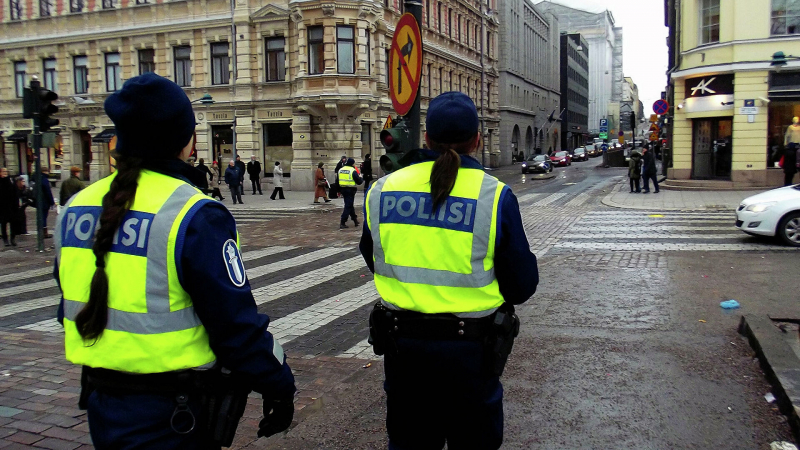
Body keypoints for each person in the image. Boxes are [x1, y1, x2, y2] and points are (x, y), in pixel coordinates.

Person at [53, 73, 295, 449]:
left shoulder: (75, 207)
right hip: (173, 413)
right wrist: (278, 384)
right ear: (186, 140)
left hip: (102, 402)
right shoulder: (194, 213)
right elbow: (235, 325)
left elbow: (67, 296)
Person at [360, 92, 538, 450]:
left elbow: (372, 256)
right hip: (470, 356)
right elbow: (521, 285)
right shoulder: (494, 195)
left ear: (426, 137)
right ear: (477, 140)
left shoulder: (382, 189)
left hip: (404, 352)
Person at [336, 157, 362, 229]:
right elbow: (359, 182)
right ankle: (343, 221)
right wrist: (360, 177)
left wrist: (338, 190)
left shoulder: (341, 170)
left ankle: (355, 220)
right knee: (348, 206)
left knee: (349, 205)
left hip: (343, 190)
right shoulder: (352, 170)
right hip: (350, 190)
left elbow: (337, 181)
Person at [0, 168, 18, 246]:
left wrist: (16, 204)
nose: (5, 173)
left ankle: (12, 239)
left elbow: (15, 192)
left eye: (6, 171)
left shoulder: (10, 180)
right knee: (3, 224)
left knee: (13, 223)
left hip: (11, 206)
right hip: (2, 206)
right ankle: (5, 239)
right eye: (3, 171)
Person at [37, 167, 55, 238]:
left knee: (40, 217)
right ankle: (44, 233)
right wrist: (52, 202)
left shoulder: (38, 178)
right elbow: (48, 192)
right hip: (44, 201)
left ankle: (41, 232)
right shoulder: (44, 180)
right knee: (43, 217)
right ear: (46, 171)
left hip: (39, 201)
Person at [784, 117, 800, 186]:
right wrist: (785, 143)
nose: (797, 121)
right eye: (795, 119)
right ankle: (788, 184)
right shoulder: (790, 127)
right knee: (790, 171)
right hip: (791, 144)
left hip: (798, 144)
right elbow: (787, 135)